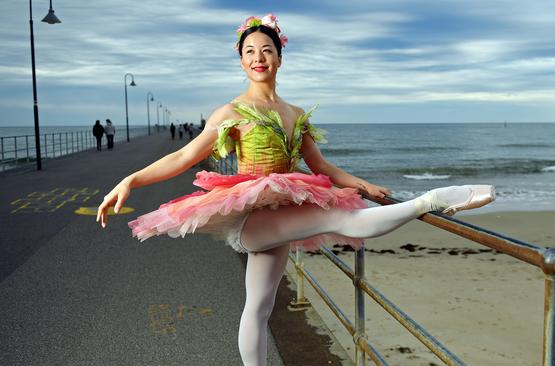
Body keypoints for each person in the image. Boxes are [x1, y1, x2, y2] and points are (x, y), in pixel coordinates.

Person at [96, 14, 495, 366]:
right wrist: (130, 179)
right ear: (240, 61)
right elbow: (184, 156)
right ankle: (434, 199)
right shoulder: (231, 112)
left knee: (260, 306)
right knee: (346, 220)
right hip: (254, 216)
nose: (258, 57)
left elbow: (320, 167)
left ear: (279, 58)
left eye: (266, 49)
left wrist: (364, 184)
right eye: (249, 51)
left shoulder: (295, 114)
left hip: (283, 211)